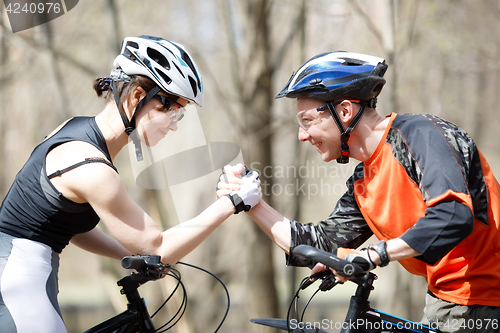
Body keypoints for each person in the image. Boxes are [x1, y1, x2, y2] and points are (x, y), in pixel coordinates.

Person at [217, 51, 500, 332]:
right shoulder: (364, 179)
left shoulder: (421, 134)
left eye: (307, 121)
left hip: (487, 302)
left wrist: (374, 254)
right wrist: (250, 202)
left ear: (344, 111)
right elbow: (321, 244)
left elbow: (453, 215)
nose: (302, 135)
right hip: (446, 302)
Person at [0, 35, 261, 333]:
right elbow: (160, 247)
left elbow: (69, 227)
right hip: (20, 289)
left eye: (181, 113)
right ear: (137, 96)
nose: (175, 124)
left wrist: (128, 257)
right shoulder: (93, 168)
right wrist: (233, 202)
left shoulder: (77, 131)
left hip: (21, 279)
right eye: (172, 109)